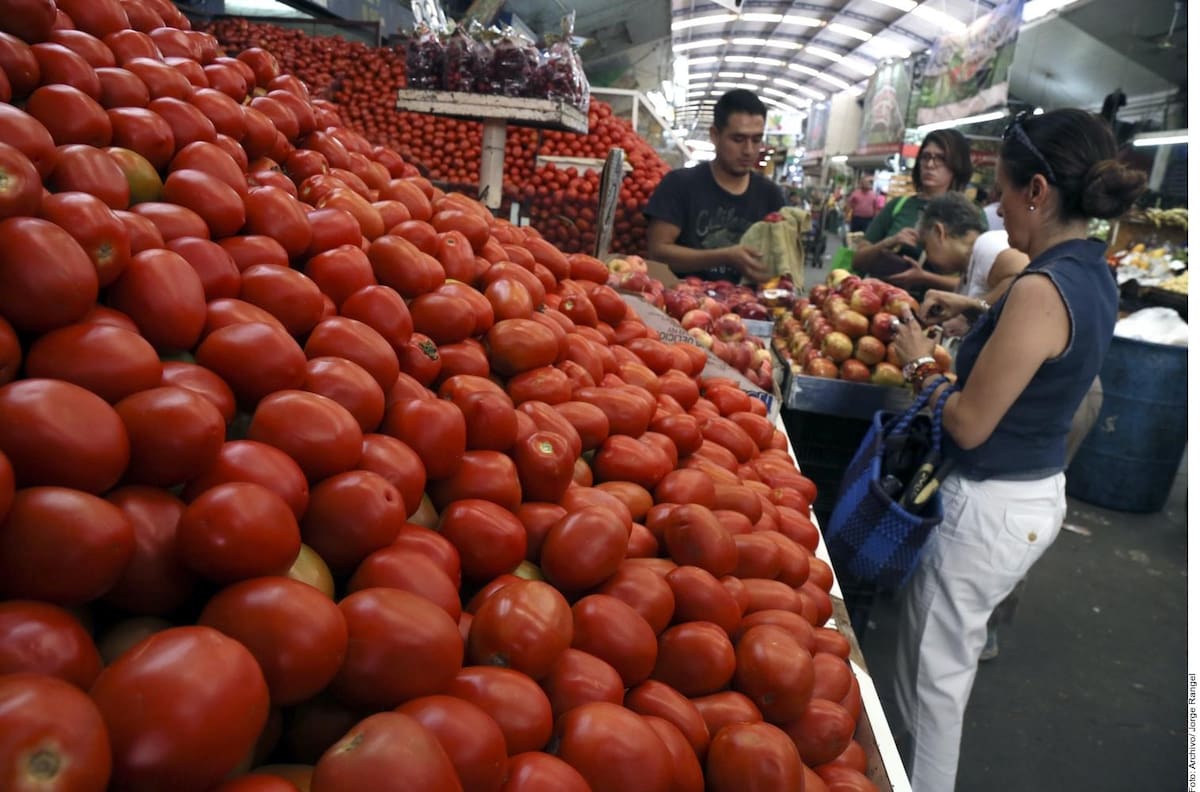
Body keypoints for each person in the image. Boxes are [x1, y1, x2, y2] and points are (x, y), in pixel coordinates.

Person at [888, 108, 1146, 792]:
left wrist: (921, 364)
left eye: (1001, 191)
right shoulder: (1090, 271)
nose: (994, 208)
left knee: (935, 685)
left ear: (1037, 190)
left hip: (989, 505)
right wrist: (978, 316)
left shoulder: (1038, 287)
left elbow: (970, 424)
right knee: (938, 663)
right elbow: (1043, 354)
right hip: (1032, 492)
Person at [644, 89, 785, 284]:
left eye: (756, 140)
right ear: (714, 135)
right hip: (683, 307)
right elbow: (658, 252)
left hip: (750, 311)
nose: (749, 150)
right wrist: (725, 256)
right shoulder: (680, 185)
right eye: (738, 139)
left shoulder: (771, 196)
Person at [852, 128, 974, 289]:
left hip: (937, 311)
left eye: (940, 158)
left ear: (956, 164)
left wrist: (925, 278)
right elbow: (858, 261)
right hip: (881, 305)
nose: (930, 165)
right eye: (926, 157)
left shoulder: (970, 215)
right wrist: (889, 242)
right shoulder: (898, 206)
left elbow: (976, 285)